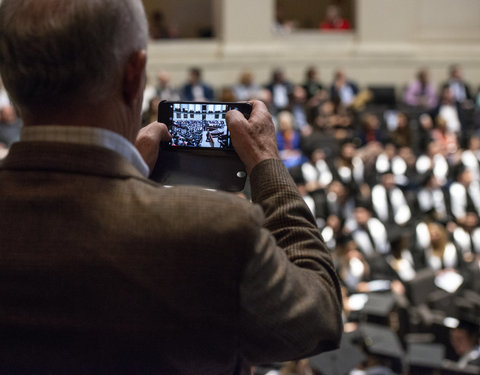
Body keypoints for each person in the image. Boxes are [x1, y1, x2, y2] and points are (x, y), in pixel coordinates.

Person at [0, 0, 343, 373]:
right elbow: (319, 316)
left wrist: (127, 169)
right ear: (134, 75)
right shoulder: (213, 230)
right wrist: (267, 165)